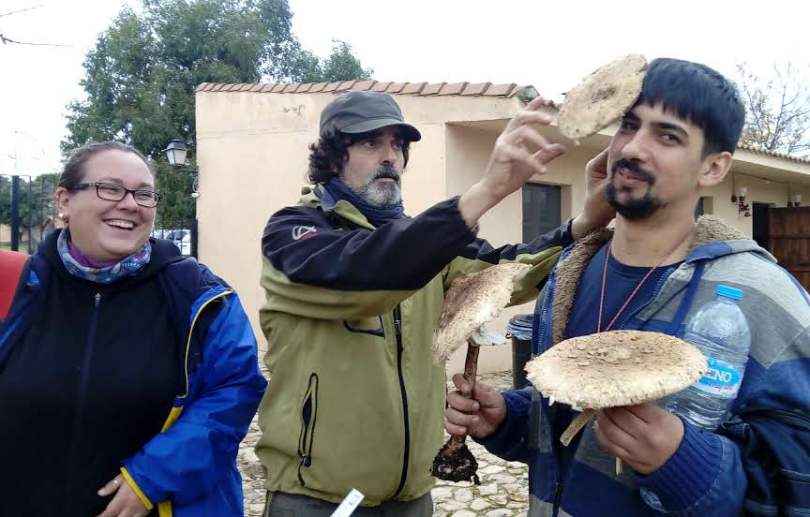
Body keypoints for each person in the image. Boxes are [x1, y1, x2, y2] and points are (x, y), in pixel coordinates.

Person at [446, 58, 810, 516]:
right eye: (628, 126)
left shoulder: (762, 297)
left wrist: (686, 463)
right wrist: (510, 418)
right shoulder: (569, 275)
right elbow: (566, 430)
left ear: (714, 168)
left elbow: (799, 480)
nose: (633, 148)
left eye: (667, 135)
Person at [255, 91, 614, 515]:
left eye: (398, 146)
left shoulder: (426, 244)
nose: (390, 157)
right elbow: (364, 273)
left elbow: (505, 271)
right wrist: (487, 191)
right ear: (333, 158)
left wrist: (587, 220)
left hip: (412, 498)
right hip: (317, 500)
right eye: (371, 144)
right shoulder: (293, 234)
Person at [0, 142, 267, 517]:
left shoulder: (201, 296)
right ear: (64, 201)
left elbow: (233, 391)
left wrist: (154, 476)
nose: (130, 204)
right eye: (109, 188)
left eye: (143, 194)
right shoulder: (14, 285)